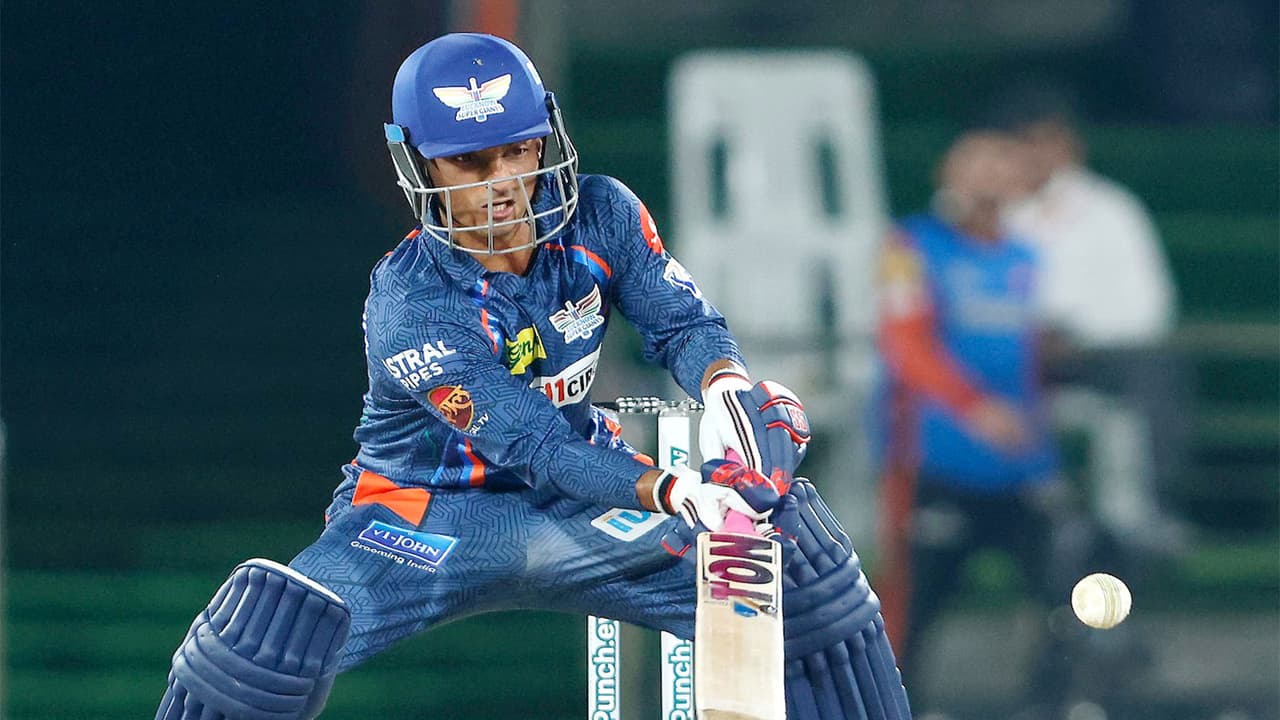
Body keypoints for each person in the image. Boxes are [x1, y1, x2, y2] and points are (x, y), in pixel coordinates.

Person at [154, 33, 911, 720]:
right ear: (418, 163)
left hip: (582, 509)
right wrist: (679, 490)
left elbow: (681, 325)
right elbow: (537, 446)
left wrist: (727, 391)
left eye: (519, 150)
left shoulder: (602, 213)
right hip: (422, 519)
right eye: (471, 163)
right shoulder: (412, 304)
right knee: (251, 654)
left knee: (806, 585)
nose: (503, 183)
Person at [872, 132, 1093, 717]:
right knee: (912, 608)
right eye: (974, 166)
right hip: (934, 461)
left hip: (1023, 465)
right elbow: (904, 345)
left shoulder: (1029, 256)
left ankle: (1053, 706)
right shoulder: (909, 247)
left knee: (1067, 597)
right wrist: (973, 407)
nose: (988, 179)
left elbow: (1033, 354)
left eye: (1000, 166)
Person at [1000, 98, 1192, 557]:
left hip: (1095, 353)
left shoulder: (1113, 210)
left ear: (1070, 147)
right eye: (1027, 142)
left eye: (1049, 142)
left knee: (1156, 364)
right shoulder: (986, 211)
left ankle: (1144, 516)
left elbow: (1148, 305)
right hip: (1008, 351)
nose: (1038, 155)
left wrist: (1073, 331)